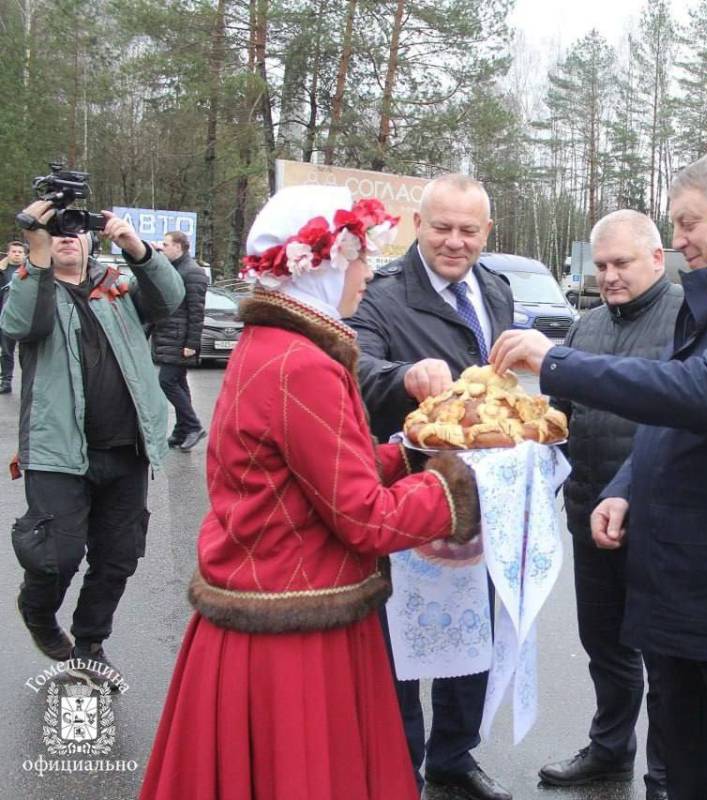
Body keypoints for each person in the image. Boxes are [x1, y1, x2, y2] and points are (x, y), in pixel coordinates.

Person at [491, 150, 707, 800]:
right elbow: (677, 423)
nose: (678, 241)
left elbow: (705, 393)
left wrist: (556, 362)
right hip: (677, 585)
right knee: (678, 769)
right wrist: (626, 489)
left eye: (687, 223)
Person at [139, 185, 482, 800]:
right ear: (318, 264)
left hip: (268, 603)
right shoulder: (305, 364)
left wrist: (405, 453)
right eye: (357, 256)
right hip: (293, 631)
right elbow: (365, 521)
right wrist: (458, 486)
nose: (367, 271)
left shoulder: (274, 345)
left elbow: (319, 474)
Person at [347, 173, 513, 800]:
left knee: (477, 630)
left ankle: (455, 756)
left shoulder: (494, 289)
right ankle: (402, 765)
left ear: (486, 232)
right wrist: (402, 375)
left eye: (468, 230)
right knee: (405, 640)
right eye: (441, 227)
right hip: (411, 495)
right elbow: (355, 365)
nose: (454, 241)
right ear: (418, 224)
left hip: (484, 495)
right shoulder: (384, 294)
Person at [2, 201, 183, 680]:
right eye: (55, 230)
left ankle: (89, 643)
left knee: (118, 557)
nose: (66, 236)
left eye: (76, 228)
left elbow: (170, 299)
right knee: (54, 556)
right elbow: (18, 326)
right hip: (57, 453)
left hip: (127, 450)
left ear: (90, 238)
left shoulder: (117, 286)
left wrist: (138, 249)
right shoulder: (34, 286)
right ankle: (39, 612)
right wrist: (34, 254)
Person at [537, 210, 681, 799]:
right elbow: (558, 417)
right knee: (604, 644)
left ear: (656, 259)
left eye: (622, 263)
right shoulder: (584, 327)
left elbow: (677, 418)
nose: (610, 276)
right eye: (601, 265)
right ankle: (610, 749)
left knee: (668, 659)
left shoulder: (688, 321)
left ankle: (668, 774)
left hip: (660, 521)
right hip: (586, 513)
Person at [151, 230, 208, 451]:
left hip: (179, 339)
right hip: (169, 336)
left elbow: (197, 312)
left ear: (179, 247)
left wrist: (191, 344)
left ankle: (193, 426)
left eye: (166, 245)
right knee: (179, 383)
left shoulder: (193, 272)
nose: (162, 248)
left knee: (167, 381)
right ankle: (181, 430)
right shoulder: (174, 268)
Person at [0, 240, 26, 393]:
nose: (17, 254)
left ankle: (28, 384)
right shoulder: (1, 270)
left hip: (24, 318)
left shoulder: (31, 271)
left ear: (25, 254)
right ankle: (6, 382)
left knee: (26, 353)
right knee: (6, 351)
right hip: (5, 317)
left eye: (20, 252)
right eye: (14, 251)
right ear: (8, 253)